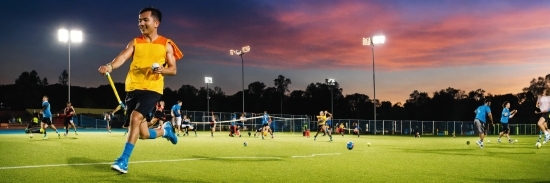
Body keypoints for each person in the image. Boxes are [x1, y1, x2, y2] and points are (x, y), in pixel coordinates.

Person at [97, 7, 183, 174]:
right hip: (132, 89)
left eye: (145, 20)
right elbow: (122, 57)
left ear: (156, 23)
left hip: (152, 89)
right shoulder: (135, 42)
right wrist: (109, 66)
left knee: (135, 118)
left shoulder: (166, 44)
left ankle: (123, 160)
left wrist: (161, 70)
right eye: (139, 20)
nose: (141, 23)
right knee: (142, 133)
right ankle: (165, 131)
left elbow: (173, 69)